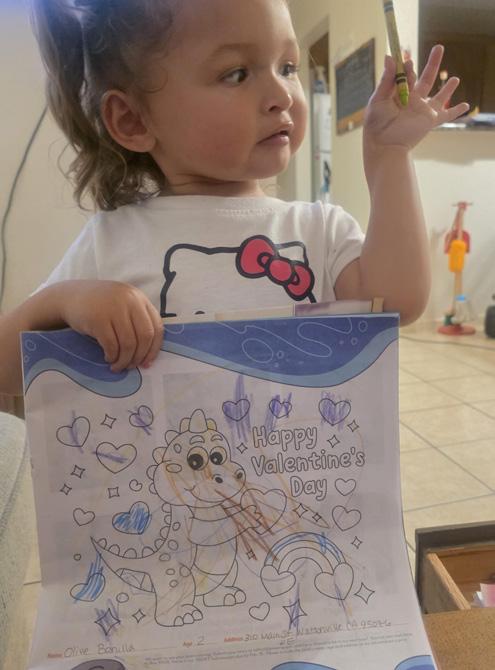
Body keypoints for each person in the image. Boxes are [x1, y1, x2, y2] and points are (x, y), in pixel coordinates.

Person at [0, 0, 469, 395]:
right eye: (237, 73)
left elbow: (397, 303)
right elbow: (7, 373)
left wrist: (389, 156)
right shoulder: (111, 241)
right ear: (133, 120)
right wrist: (64, 303)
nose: (281, 94)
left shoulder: (320, 230)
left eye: (288, 67)